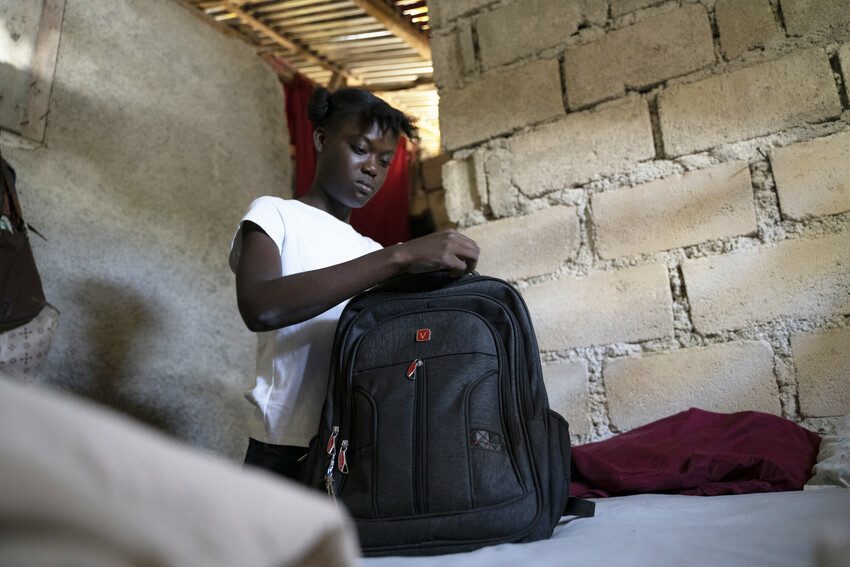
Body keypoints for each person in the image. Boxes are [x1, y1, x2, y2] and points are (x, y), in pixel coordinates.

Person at [229, 87, 479, 483]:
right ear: (322, 139)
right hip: (283, 450)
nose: (372, 169)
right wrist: (399, 256)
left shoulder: (370, 250)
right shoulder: (276, 213)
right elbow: (261, 306)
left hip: (351, 450)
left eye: (384, 160)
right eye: (360, 149)